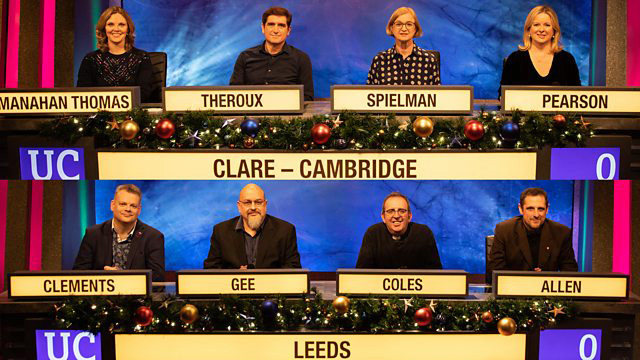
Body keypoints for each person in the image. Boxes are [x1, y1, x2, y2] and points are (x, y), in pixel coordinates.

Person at [73, 184, 165, 281]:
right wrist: (104, 278)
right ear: (112, 205)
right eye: (123, 204)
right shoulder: (93, 234)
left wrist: (122, 279)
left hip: (137, 295)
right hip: (101, 294)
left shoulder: (153, 237)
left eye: (133, 206)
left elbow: (157, 279)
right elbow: (79, 274)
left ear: (139, 210)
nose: (128, 209)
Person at [203, 184, 302, 269]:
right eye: (247, 202)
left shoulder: (285, 230)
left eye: (258, 202)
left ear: (265, 205)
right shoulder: (221, 231)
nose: (253, 207)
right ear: (239, 206)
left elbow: (293, 270)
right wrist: (234, 275)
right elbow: (211, 269)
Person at [77, 6, 160, 103]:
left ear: (128, 29)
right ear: (104, 28)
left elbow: (144, 94)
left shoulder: (141, 58)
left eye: (121, 24)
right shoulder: (91, 59)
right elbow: (82, 96)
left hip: (133, 116)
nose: (116, 29)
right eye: (111, 24)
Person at [229, 6, 314, 101]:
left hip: (286, 114)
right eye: (271, 24)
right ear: (263, 28)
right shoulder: (245, 57)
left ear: (288, 31)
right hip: (251, 115)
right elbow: (234, 96)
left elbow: (307, 98)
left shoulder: (301, 59)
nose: (275, 30)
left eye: (281, 25)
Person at [488, 187, 578, 274]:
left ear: (547, 209)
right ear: (520, 209)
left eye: (540, 209)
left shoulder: (561, 233)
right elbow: (493, 273)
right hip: (514, 288)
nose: (536, 214)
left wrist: (544, 277)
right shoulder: (504, 230)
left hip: (546, 288)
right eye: (530, 209)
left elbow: (570, 274)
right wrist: (529, 278)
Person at [356, 192, 442, 269]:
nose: (396, 215)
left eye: (402, 211)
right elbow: (361, 276)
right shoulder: (373, 234)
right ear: (383, 217)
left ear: (409, 216)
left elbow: (436, 276)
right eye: (390, 211)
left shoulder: (423, 233)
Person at [500, 5, 581, 87]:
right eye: (536, 25)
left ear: (554, 31)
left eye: (547, 25)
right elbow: (503, 95)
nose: (541, 29)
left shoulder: (567, 60)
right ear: (528, 30)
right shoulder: (514, 60)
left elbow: (577, 94)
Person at [366, 7, 440, 86]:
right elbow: (369, 95)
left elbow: (437, 96)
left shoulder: (429, 60)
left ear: (415, 28)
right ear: (391, 28)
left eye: (409, 24)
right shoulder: (379, 60)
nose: (404, 29)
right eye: (398, 24)